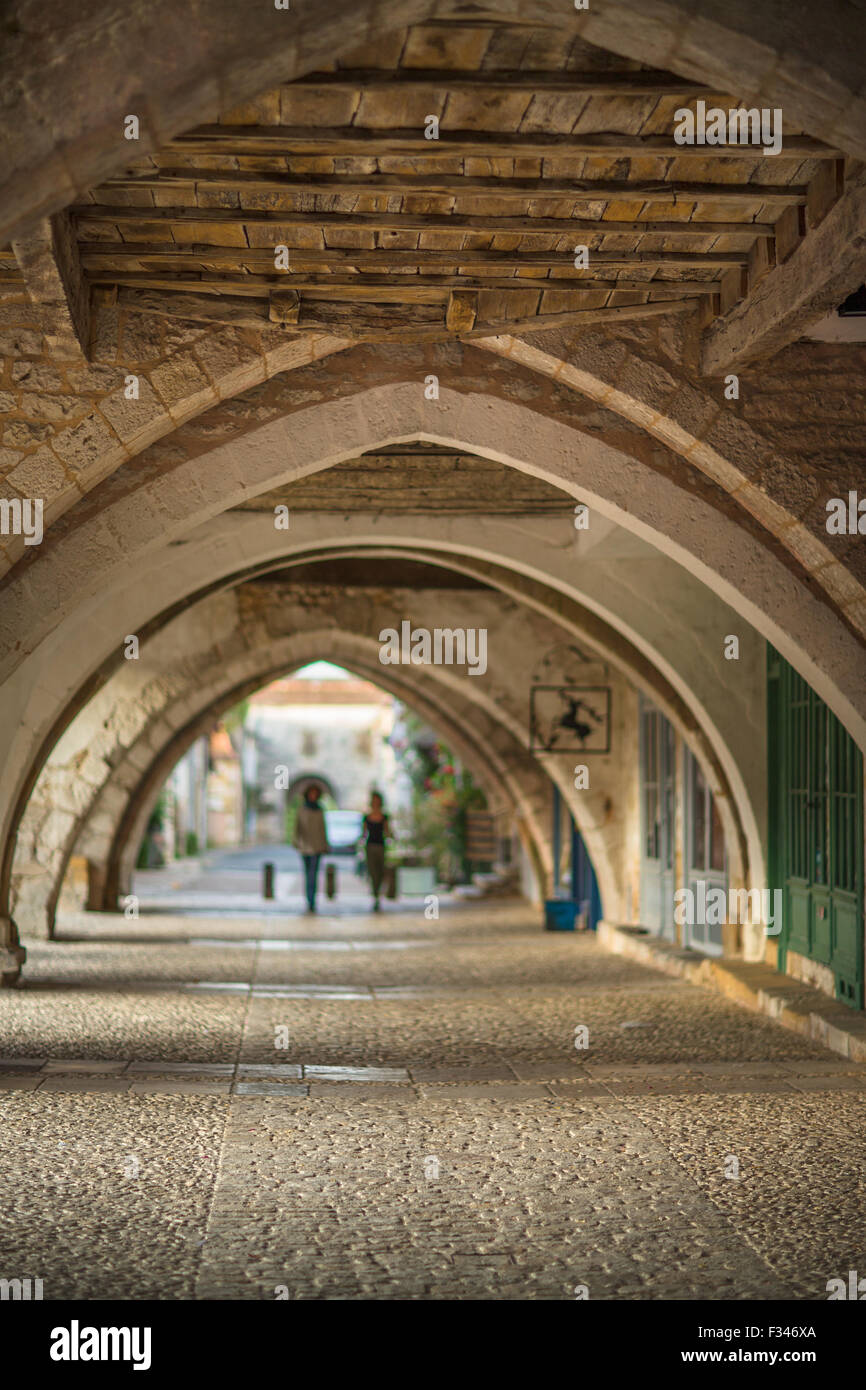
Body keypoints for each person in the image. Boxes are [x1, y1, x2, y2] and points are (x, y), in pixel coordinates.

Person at [292, 783, 330, 913]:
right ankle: (309, 898)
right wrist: (296, 841)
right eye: (311, 793)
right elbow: (298, 827)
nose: (313, 796)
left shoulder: (320, 809)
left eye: (315, 793)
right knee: (308, 873)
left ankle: (312, 900)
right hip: (305, 846)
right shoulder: (302, 809)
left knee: (313, 874)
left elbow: (323, 829)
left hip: (317, 846)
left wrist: (325, 844)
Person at [362, 792, 390, 912]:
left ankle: (378, 893)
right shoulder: (366, 817)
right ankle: (375, 895)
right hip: (370, 846)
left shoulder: (384, 817)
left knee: (380, 871)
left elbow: (387, 831)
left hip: (381, 846)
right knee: (373, 872)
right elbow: (363, 833)